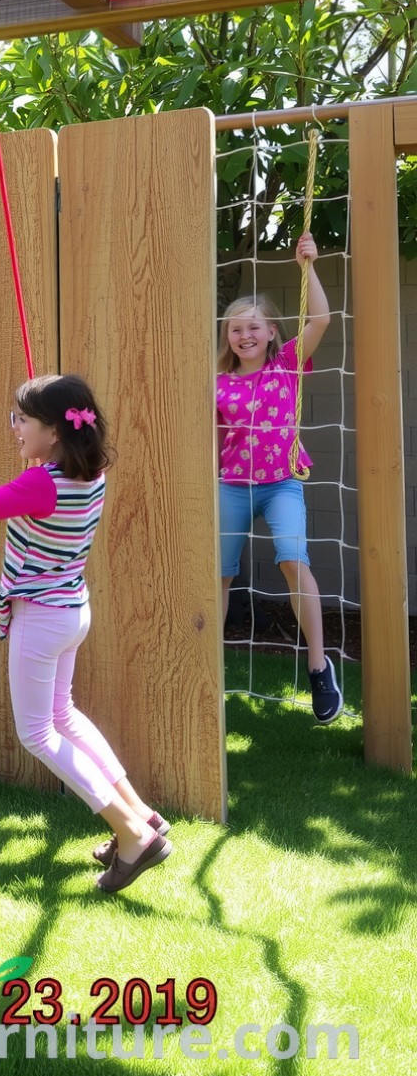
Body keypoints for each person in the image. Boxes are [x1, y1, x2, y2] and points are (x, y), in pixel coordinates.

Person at [0, 373, 172, 895]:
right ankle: (142, 814)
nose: (14, 428)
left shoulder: (42, 484)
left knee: (37, 733)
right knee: (62, 715)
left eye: (22, 420)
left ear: (54, 432)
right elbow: (39, 493)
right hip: (71, 608)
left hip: (41, 616)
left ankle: (132, 833)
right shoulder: (89, 471)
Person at [217, 231, 342, 723]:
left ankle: (318, 667)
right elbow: (212, 440)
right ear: (228, 337)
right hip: (232, 485)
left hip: (281, 483)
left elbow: (321, 319)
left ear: (271, 332)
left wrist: (308, 266)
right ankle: (209, 668)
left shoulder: (287, 364)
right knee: (220, 573)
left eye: (253, 327)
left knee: (293, 559)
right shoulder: (217, 383)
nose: (244, 335)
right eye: (235, 329)